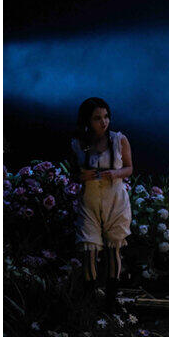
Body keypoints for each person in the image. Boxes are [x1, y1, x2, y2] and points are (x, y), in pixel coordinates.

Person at [70, 97, 133, 312]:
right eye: (97, 118)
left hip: (115, 200)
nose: (103, 122)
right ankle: (90, 300)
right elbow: (73, 172)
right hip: (90, 200)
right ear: (88, 121)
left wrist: (115, 173)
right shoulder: (80, 143)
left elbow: (129, 167)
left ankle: (110, 302)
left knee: (114, 248)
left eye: (106, 117)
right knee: (89, 248)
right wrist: (82, 176)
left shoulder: (118, 140)